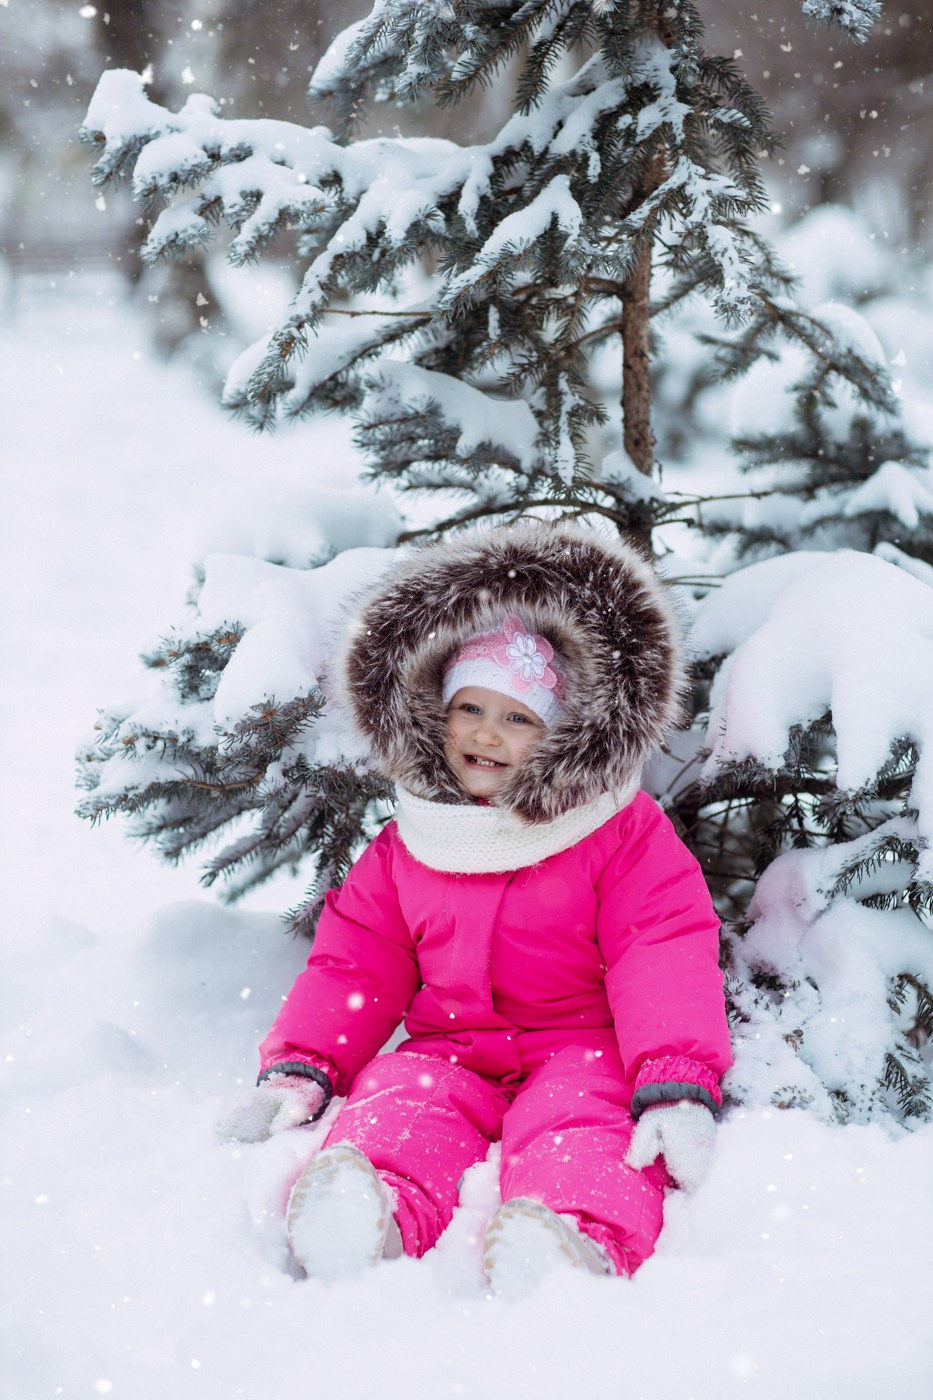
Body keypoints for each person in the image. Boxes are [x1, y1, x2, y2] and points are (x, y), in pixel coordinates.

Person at [217, 520, 732, 1292]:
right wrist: (305, 1064)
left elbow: (659, 945)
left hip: (579, 1046)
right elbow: (355, 957)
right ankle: (371, 1213)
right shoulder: (412, 839)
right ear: (435, 713)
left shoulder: (615, 830)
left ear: (562, 734)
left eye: (518, 718)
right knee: (395, 1103)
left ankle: (571, 1238)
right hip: (448, 1047)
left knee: (582, 1130)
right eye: (469, 709)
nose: (486, 735)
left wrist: (673, 1072)